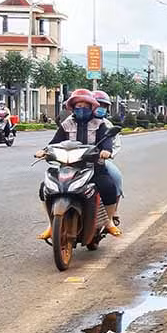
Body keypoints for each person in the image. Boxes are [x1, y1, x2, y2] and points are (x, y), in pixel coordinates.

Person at [35, 89, 121, 239]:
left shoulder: (99, 124)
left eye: (85, 106)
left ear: (91, 107)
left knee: (108, 187)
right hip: (69, 166)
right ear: (73, 107)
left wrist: (106, 151)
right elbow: (54, 142)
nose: (81, 108)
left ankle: (108, 222)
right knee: (45, 188)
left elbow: (106, 141)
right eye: (78, 105)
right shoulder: (66, 124)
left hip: (93, 166)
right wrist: (44, 151)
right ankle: (51, 224)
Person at [91, 90, 124, 202]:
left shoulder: (106, 124)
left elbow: (115, 144)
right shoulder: (73, 121)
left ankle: (113, 212)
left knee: (116, 177)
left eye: (104, 106)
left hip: (99, 160)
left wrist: (108, 153)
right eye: (99, 104)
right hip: (75, 161)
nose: (101, 108)